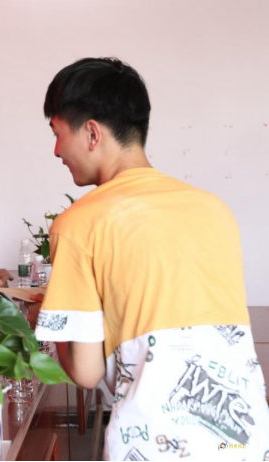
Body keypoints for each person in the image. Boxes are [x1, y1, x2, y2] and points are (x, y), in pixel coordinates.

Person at [31, 57, 269, 460]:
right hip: (242, 438)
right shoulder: (214, 208)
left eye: (57, 134)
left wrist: (49, 318)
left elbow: (86, 372)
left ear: (92, 132)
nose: (56, 151)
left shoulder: (78, 224)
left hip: (153, 442)